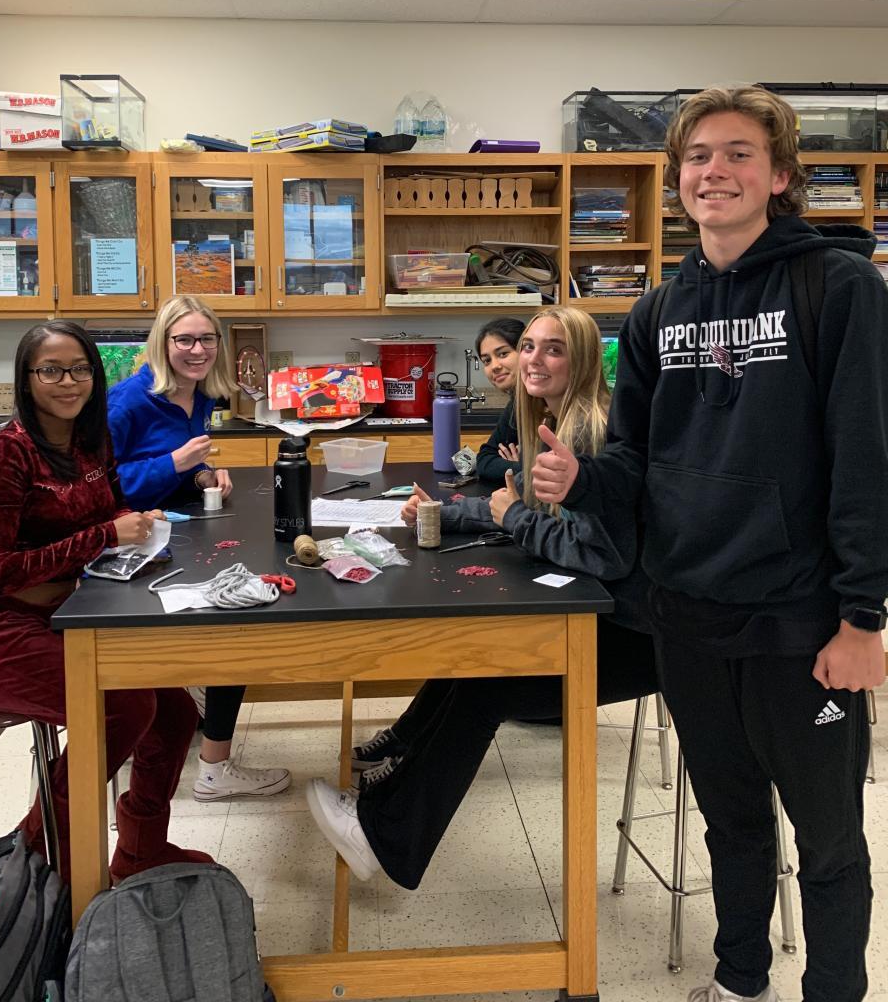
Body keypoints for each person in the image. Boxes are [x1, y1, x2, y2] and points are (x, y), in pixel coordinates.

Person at [530, 87, 888, 1002]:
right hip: (686, 614)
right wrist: (581, 480)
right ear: (677, 179)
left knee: (829, 840)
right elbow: (637, 459)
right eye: (697, 156)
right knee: (730, 822)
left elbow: (866, 456)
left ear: (780, 176)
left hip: (799, 623)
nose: (714, 171)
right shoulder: (658, 310)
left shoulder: (839, 286)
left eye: (737, 153)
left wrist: (863, 615)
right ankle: (739, 981)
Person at [305, 306, 657, 890]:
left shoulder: (590, 431)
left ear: (583, 361)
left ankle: (384, 834)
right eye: (530, 346)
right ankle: (395, 771)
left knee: (487, 685)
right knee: (473, 660)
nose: (533, 360)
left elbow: (603, 555)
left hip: (636, 635)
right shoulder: (550, 418)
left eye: (553, 349)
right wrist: (447, 513)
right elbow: (517, 506)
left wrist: (515, 517)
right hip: (599, 612)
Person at [0, 321, 211, 883]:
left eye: (80, 369)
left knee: (175, 712)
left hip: (53, 616)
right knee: (127, 707)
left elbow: (108, 510)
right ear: (27, 378)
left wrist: (138, 523)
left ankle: (141, 850)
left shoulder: (91, 440)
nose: (68, 382)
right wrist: (105, 536)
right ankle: (37, 865)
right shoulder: (5, 453)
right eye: (51, 370)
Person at [108, 294, 290, 803]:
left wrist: (203, 474)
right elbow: (100, 487)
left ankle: (194, 717)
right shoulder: (127, 402)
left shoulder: (200, 394)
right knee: (233, 634)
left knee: (240, 608)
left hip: (178, 533)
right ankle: (212, 767)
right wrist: (176, 463)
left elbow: (181, 466)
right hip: (132, 547)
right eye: (184, 339)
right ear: (162, 343)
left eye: (207, 339)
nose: (197, 349)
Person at [472, 316, 524, 484]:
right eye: (487, 360)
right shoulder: (517, 404)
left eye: (503, 354)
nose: (494, 366)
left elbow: (553, 474)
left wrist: (522, 466)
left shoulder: (549, 402)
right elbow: (485, 460)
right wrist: (520, 468)